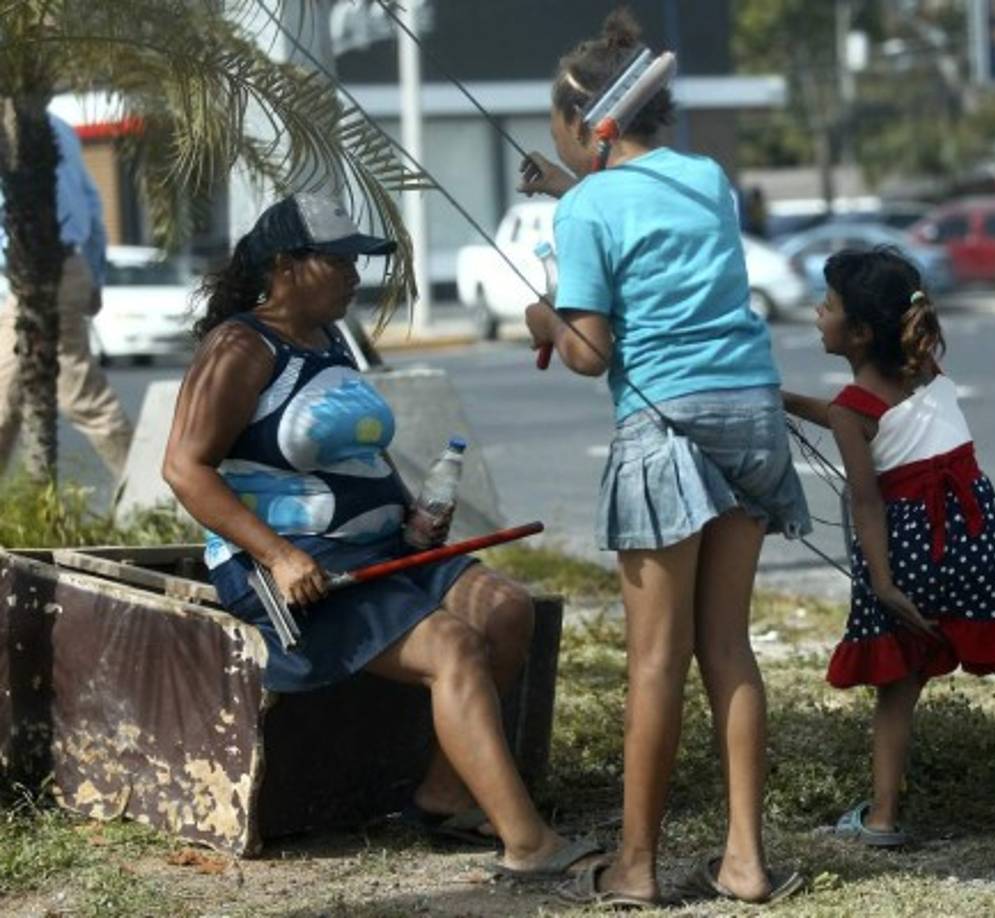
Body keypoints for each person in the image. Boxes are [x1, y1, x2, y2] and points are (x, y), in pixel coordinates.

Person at [162, 192, 600, 878]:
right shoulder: (241, 347)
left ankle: (443, 797)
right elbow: (185, 470)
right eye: (339, 260)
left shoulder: (333, 337)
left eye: (356, 260)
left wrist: (410, 517)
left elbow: (360, 451)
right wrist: (278, 555)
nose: (353, 274)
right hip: (294, 569)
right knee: (453, 646)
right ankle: (529, 845)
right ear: (285, 265)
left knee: (508, 612)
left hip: (381, 546)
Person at [519, 11, 810, 907]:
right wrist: (574, 190)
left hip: (667, 424)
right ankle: (746, 863)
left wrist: (543, 314)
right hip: (750, 411)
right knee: (728, 646)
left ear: (585, 120)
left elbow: (589, 352)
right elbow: (650, 213)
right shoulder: (708, 179)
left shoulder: (591, 206)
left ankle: (635, 868)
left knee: (655, 658)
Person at [781, 247, 995, 847]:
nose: (815, 314)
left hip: (910, 549)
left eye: (825, 306)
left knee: (899, 686)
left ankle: (881, 818)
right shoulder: (923, 365)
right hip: (983, 539)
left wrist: (882, 583)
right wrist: (789, 401)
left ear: (858, 332)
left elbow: (867, 501)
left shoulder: (857, 411)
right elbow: (874, 418)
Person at [0, 112, 133, 477]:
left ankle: (155, 493)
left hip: (40, 272)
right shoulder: (54, 125)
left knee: (81, 395)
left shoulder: (28, 130)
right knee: (3, 401)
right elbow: (91, 204)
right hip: (50, 270)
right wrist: (93, 274)